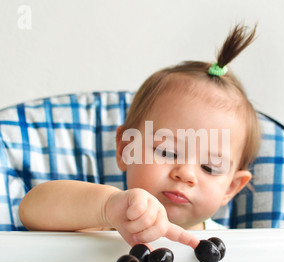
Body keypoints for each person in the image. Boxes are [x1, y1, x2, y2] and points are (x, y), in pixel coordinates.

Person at [19, 23, 261, 250]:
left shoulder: (231, 245)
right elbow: (30, 211)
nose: (185, 173)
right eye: (167, 151)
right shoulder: (107, 221)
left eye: (209, 167)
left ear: (230, 187)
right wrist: (105, 207)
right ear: (127, 148)